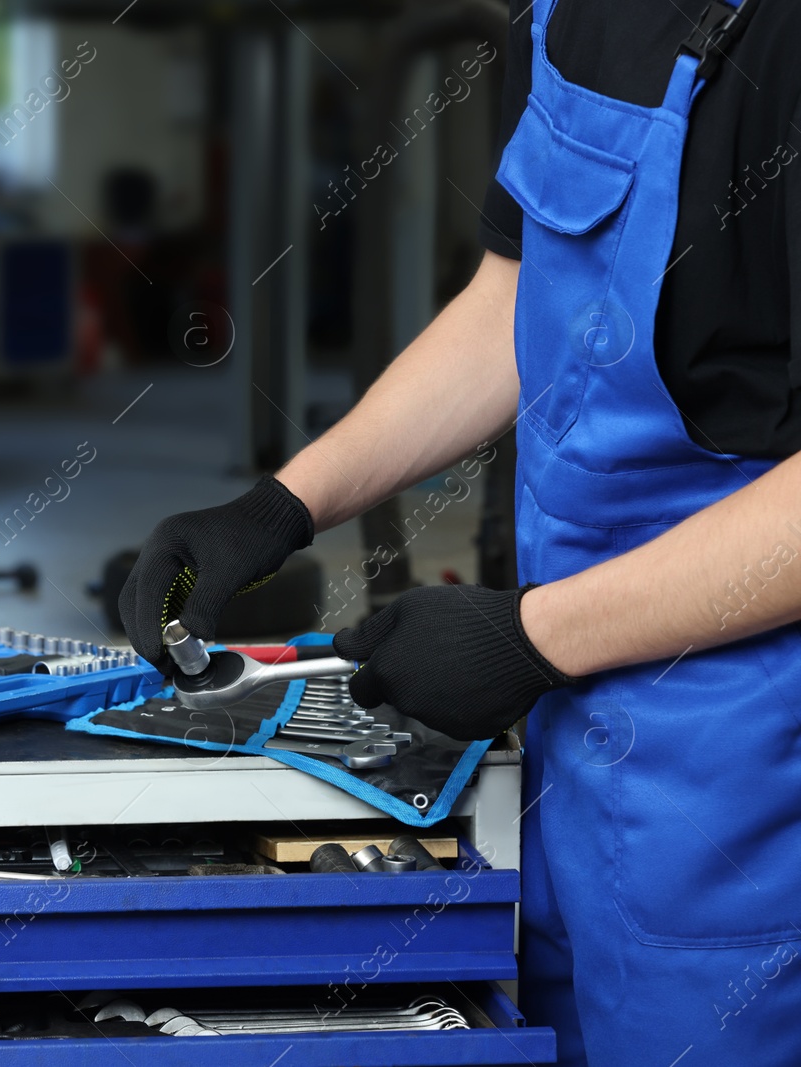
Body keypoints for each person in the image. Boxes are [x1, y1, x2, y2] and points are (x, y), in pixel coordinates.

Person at [120, 0, 801, 1062]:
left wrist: (529, 636)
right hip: (580, 741)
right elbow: (515, 300)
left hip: (751, 783)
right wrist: (280, 507)